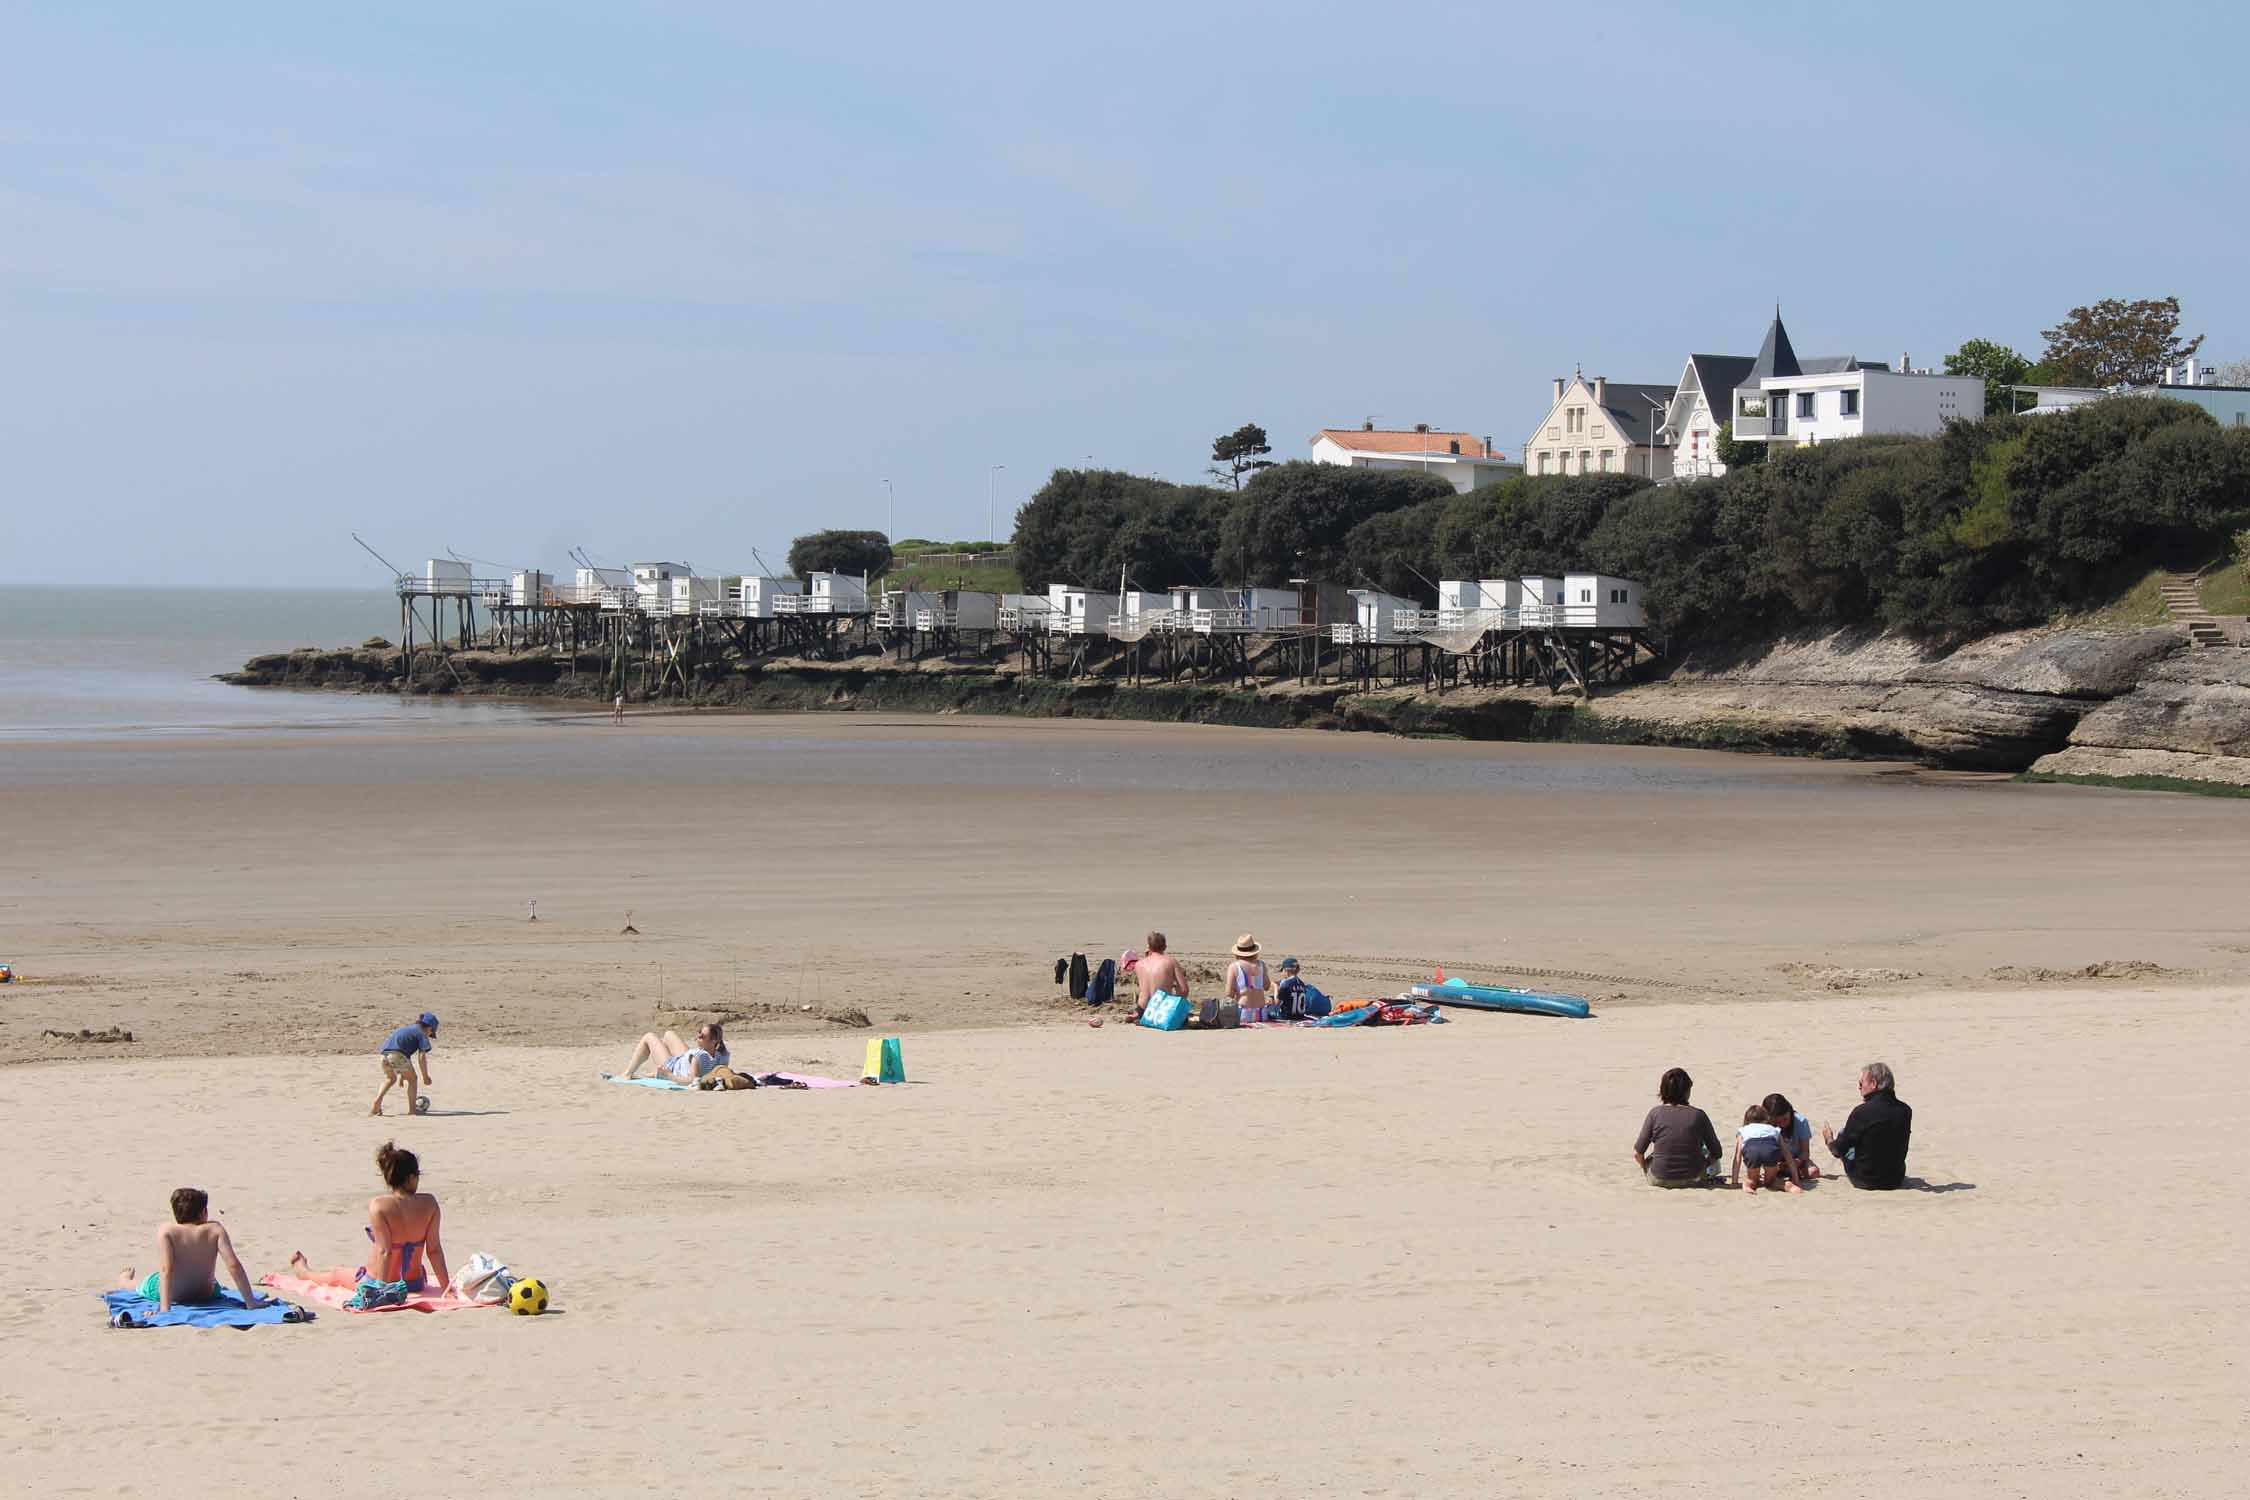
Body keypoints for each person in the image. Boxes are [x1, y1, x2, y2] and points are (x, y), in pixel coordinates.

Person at [287, 1141, 450, 1295]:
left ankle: (303, 1272)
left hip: (381, 1280)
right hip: (414, 1282)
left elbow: (385, 1251)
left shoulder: (379, 1205)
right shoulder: (429, 1203)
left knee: (337, 1274)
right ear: (411, 1178)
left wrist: (381, 1289)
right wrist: (446, 1288)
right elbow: (434, 1250)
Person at [117, 1187, 266, 1312]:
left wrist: (164, 1308)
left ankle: (125, 1280)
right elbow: (233, 1265)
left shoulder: (167, 1231)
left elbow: (166, 1269)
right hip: (206, 1292)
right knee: (212, 1280)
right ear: (203, 1212)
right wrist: (250, 1302)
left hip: (176, 1294)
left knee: (144, 1283)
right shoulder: (215, 1229)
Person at [1823, 1061, 1913, 1189]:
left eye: (1861, 1084)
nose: (1859, 1088)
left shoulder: (1862, 1112)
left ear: (1873, 1084)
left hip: (1866, 1179)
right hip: (1895, 1179)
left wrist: (1829, 1139)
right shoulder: (1905, 1110)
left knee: (1844, 1134)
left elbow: (1838, 1150)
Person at [1632, 1067, 1723, 1188]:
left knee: (1656, 1154)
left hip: (1658, 1179)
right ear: (1687, 1091)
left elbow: (1638, 1153)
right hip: (1694, 1178)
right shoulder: (1698, 1115)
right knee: (1706, 1149)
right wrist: (1705, 1163)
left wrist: (1646, 1167)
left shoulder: (1655, 1113)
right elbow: (1717, 1152)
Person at [371, 1012, 438, 1117]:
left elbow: (402, 1052)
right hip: (397, 1056)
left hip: (384, 1055)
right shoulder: (422, 1034)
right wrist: (425, 1076)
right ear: (429, 1028)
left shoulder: (407, 1029)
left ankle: (377, 1101)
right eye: (431, 1033)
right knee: (413, 1079)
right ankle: (412, 1110)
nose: (429, 1035)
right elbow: (421, 1057)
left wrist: (402, 1075)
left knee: (390, 1078)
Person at [622, 1021, 730, 1084]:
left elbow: (691, 1081)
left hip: (672, 1066)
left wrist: (668, 1075)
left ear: (713, 1041)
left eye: (702, 1036)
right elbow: (718, 1073)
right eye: (699, 1033)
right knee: (669, 1034)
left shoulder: (698, 1056)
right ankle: (655, 1073)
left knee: (649, 1037)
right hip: (684, 1058)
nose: (698, 1037)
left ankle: (627, 1073)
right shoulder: (723, 1055)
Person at [1730, 1103, 1805, 1194]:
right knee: (1770, 1181)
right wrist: (1796, 1180)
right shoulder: (1774, 1130)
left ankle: (1749, 1186)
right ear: (1767, 1118)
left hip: (1752, 1151)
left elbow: (1737, 1157)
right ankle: (1786, 1185)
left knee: (1752, 1180)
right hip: (1770, 1151)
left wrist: (1734, 1181)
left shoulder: (1743, 1130)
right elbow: (1788, 1156)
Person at [1763, 1092, 1821, 1181]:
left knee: (1813, 1172)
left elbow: (1805, 1152)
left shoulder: (1800, 1121)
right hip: (1774, 1161)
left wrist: (1796, 1162)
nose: (1782, 1124)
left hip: (1796, 1159)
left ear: (1789, 1112)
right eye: (1777, 1122)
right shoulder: (1764, 1125)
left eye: (1785, 1119)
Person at [1132, 932, 1188, 1021]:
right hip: (1162, 1010)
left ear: (1149, 947)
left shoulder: (1139, 964)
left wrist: (1146, 957)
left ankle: (1136, 1015)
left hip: (1143, 1010)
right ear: (1165, 947)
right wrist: (1177, 1006)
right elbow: (1184, 990)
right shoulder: (1171, 962)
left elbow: (1147, 982)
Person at [1224, 934, 1270, 1017]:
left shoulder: (1234, 966)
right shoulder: (1261, 965)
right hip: (1261, 1013)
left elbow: (1229, 994)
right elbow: (1267, 986)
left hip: (1244, 1013)